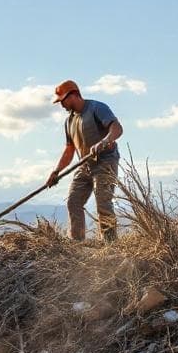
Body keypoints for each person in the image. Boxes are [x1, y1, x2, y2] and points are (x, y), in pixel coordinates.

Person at [45, 79, 124, 242]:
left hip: (105, 162)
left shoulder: (97, 108)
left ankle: (111, 245)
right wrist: (56, 171)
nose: (61, 105)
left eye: (62, 101)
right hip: (85, 165)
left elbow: (117, 128)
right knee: (73, 202)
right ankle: (76, 243)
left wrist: (105, 141)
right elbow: (69, 150)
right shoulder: (69, 122)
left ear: (73, 95)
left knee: (103, 203)